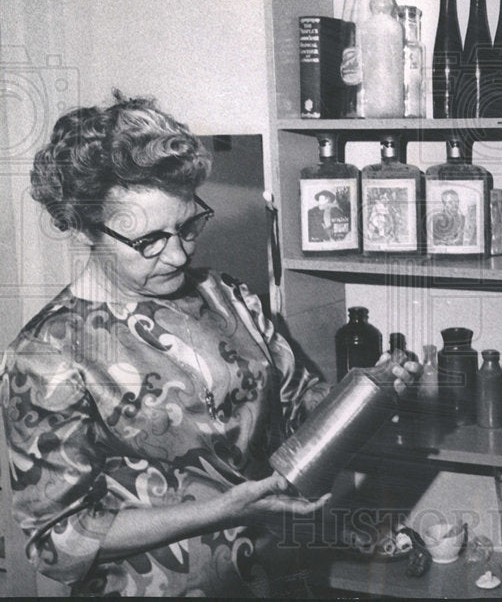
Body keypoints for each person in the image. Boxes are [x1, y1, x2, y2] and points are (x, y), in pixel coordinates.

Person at [0, 94, 421, 596]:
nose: (178, 255)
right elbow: (56, 541)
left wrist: (369, 393)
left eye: (188, 226)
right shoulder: (47, 353)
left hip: (274, 579)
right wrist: (223, 510)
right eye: (149, 240)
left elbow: (300, 410)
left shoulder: (228, 297)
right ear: (89, 226)